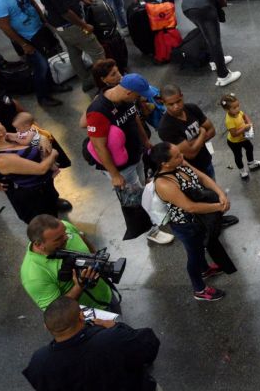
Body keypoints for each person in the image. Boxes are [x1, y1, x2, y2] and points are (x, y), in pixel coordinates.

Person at [23, 297, 180, 391]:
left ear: (46, 327)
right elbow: (149, 345)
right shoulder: (112, 340)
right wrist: (116, 327)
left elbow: (47, 389)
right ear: (81, 316)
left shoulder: (40, 361)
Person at [85, 73, 172, 243]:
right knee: (134, 200)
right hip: (121, 167)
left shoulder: (126, 101)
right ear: (128, 92)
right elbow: (98, 146)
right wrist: (115, 175)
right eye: (138, 95)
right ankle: (151, 231)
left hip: (136, 155)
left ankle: (154, 214)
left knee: (144, 188)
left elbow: (135, 119)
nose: (139, 98)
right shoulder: (98, 111)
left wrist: (146, 141)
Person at [149, 141, 237, 301]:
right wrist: (219, 207)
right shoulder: (164, 183)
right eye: (176, 156)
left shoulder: (180, 163)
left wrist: (220, 193)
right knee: (194, 255)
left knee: (201, 248)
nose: (182, 157)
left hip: (199, 220)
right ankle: (199, 289)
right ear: (165, 163)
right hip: (186, 225)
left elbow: (202, 177)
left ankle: (205, 269)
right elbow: (190, 207)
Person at [0, 0, 69, 107]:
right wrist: (23, 44)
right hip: (26, 38)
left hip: (39, 29)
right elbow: (4, 27)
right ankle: (42, 97)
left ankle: (52, 86)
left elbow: (31, 2)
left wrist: (44, 21)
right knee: (40, 67)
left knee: (47, 60)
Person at [31, 0, 105, 91]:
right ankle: (103, 82)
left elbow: (57, 2)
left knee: (74, 53)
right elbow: (65, 12)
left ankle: (86, 81)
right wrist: (84, 26)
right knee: (97, 52)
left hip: (60, 27)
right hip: (72, 26)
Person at [0, 117, 62, 223]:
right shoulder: (3, 160)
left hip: (44, 185)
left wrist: (41, 138)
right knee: (47, 222)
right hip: (34, 196)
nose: (1, 122)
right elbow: (41, 169)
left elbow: (32, 136)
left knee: (53, 212)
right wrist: (54, 153)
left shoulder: (8, 137)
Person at [20, 214, 114, 312]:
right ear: (39, 245)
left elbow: (82, 237)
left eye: (65, 232)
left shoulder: (64, 228)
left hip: (107, 295)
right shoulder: (33, 275)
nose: (66, 237)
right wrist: (79, 286)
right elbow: (55, 311)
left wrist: (95, 256)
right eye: (58, 239)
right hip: (88, 317)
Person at [159, 84, 217, 180]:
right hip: (190, 172)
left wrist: (192, 144)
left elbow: (212, 131)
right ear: (163, 102)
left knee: (214, 188)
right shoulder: (166, 128)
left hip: (206, 161)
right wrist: (202, 132)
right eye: (171, 104)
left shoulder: (192, 108)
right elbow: (191, 154)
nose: (176, 106)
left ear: (182, 96)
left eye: (178, 101)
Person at [219, 93, 260, 180]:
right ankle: (242, 170)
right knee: (238, 156)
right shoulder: (229, 120)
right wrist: (244, 128)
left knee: (250, 148)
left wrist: (249, 123)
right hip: (234, 142)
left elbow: (244, 115)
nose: (237, 109)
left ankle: (251, 163)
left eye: (238, 106)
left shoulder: (238, 112)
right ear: (227, 109)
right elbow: (233, 134)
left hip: (243, 138)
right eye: (234, 108)